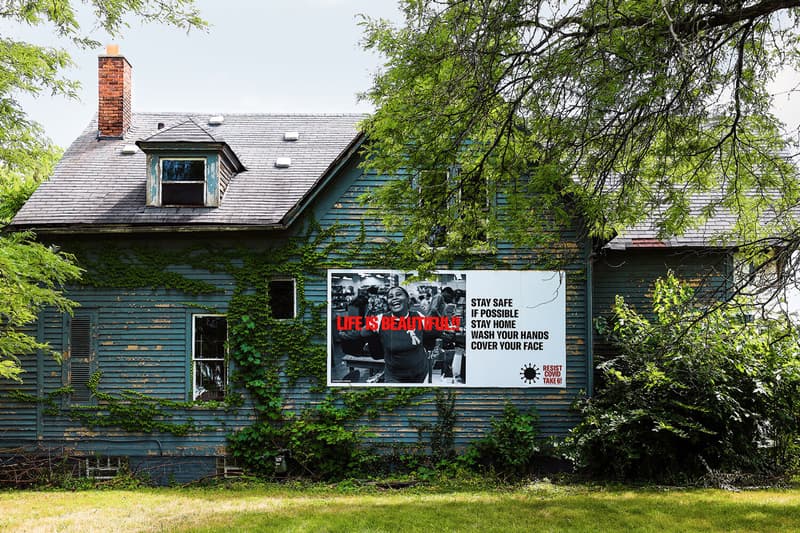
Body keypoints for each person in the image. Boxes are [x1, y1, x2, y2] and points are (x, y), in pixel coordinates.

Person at [341, 285, 429, 383]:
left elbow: (434, 332)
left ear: (408, 299)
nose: (394, 298)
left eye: (398, 294)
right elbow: (360, 333)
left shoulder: (419, 316)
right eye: (390, 296)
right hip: (395, 377)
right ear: (388, 302)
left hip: (420, 373)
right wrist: (344, 335)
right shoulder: (380, 320)